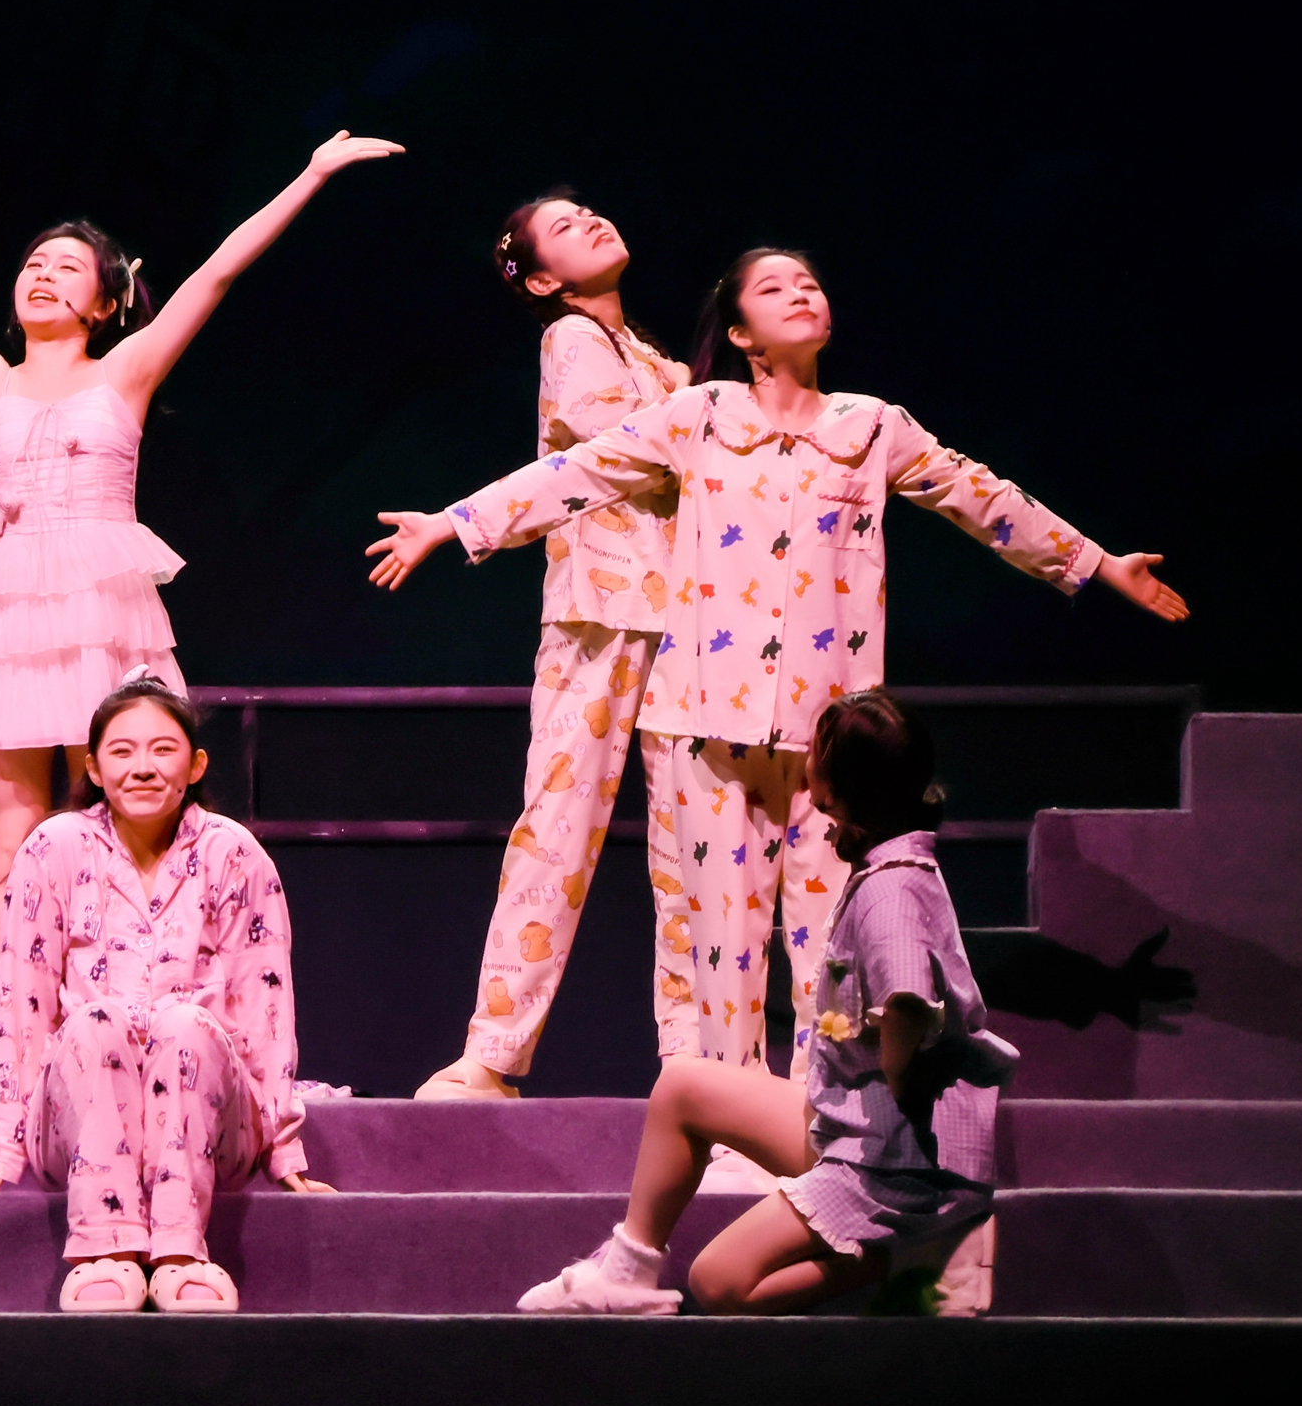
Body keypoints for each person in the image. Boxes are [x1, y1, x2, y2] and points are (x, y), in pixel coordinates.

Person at [369, 247, 1186, 1073]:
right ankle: (733, 1123)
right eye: (773, 287)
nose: (799, 293)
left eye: (809, 284)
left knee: (831, 954)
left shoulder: (872, 427)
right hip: (705, 730)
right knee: (723, 964)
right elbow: (578, 472)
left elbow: (981, 494)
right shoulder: (702, 415)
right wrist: (452, 522)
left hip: (830, 741)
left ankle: (818, 1120)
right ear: (741, 333)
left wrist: (1096, 562)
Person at [0, 89, 403, 968]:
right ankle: (20, 1028)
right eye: (34, 263)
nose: (44, 274)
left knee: (119, 828)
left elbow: (217, 272)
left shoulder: (124, 372)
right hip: (9, 614)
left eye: (67, 266)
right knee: (14, 845)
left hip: (103, 606)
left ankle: (124, 1006)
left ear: (105, 301)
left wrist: (310, 176)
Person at [513, 692, 1014, 1314]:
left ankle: (916, 1254)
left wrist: (897, 1081)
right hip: (858, 1121)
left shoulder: (891, 896)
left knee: (720, 1282)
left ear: (844, 785)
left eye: (819, 751)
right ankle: (627, 1272)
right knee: (683, 1087)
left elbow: (906, 1003)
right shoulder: (898, 866)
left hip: (891, 1158)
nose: (806, 763)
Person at [419, 192, 695, 1103]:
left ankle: (702, 1069)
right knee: (557, 827)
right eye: (566, 227)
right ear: (542, 280)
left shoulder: (650, 355)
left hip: (689, 615)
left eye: (590, 212)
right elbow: (630, 444)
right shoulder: (571, 337)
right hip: (602, 609)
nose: (594, 222)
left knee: (696, 853)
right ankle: (493, 1054)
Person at [0, 676, 331, 1312]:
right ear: (94, 768)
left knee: (185, 1023)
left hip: (210, 1116)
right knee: (96, 1021)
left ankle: (180, 1254)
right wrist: (0, 1147)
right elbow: (20, 1002)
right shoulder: (53, 848)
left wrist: (284, 1150)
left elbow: (265, 1007)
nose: (143, 767)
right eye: (122, 752)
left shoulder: (234, 853)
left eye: (163, 749)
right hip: (79, 1115)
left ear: (195, 764)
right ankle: (105, 1252)